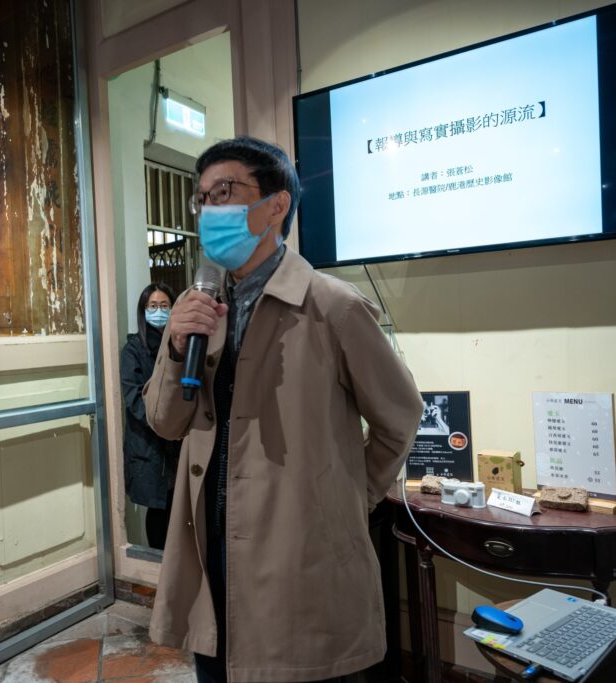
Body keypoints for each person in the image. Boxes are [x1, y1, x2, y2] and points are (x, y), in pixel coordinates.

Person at [142, 136, 423, 683]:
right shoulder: (199, 310)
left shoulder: (333, 306)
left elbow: (401, 418)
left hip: (300, 561)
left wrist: (344, 501)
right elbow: (166, 422)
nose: (209, 209)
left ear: (277, 205)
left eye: (225, 191)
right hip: (211, 553)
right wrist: (175, 348)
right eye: (202, 198)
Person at [120, 282, 181, 550]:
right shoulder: (133, 350)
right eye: (153, 306)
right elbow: (133, 398)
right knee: (158, 510)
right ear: (143, 311)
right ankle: (157, 567)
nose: (158, 311)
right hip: (151, 444)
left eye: (164, 306)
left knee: (180, 507)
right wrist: (163, 421)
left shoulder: (180, 345)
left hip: (179, 442)